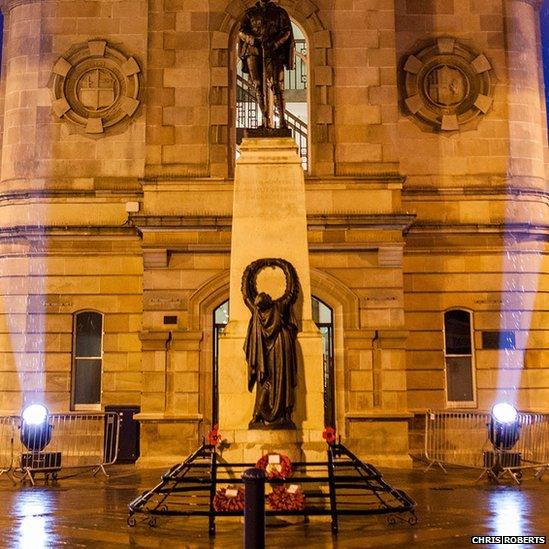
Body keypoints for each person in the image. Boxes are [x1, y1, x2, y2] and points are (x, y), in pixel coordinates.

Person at [242, 259, 299, 429]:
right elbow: (291, 291)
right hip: (281, 348)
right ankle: (281, 414)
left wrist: (253, 268)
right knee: (282, 382)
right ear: (266, 302)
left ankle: (258, 415)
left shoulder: (256, 312)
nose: (267, 294)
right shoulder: (279, 307)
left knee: (265, 383)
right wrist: (282, 265)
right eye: (266, 296)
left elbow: (246, 293)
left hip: (265, 354)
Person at [238, 0, 295, 129]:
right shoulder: (250, 13)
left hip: (273, 52)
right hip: (253, 51)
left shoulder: (279, 13)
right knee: (258, 85)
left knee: (276, 85)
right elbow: (241, 30)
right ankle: (265, 119)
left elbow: (286, 31)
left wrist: (275, 43)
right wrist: (252, 39)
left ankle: (282, 120)